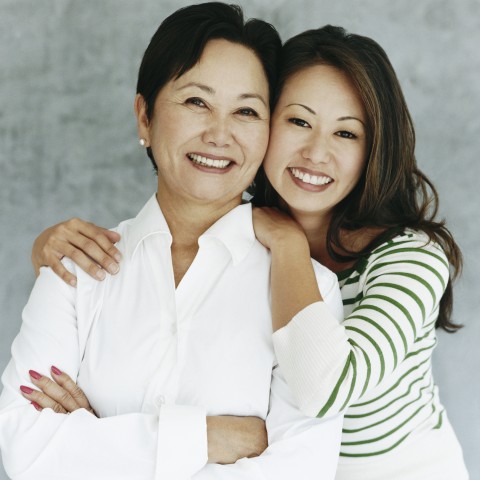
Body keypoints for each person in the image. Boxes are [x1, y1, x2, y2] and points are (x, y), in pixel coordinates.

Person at [32, 23, 470, 480]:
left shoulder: (409, 258)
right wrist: (50, 249)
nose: (315, 153)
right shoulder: (237, 230)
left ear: (374, 149)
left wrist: (288, 245)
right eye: (298, 121)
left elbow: (328, 387)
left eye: (346, 134)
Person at [0, 4, 345, 480]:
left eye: (246, 111)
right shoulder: (75, 267)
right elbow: (22, 448)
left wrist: (99, 443)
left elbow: (300, 471)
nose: (219, 134)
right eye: (196, 102)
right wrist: (209, 437)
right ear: (145, 117)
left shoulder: (308, 290)